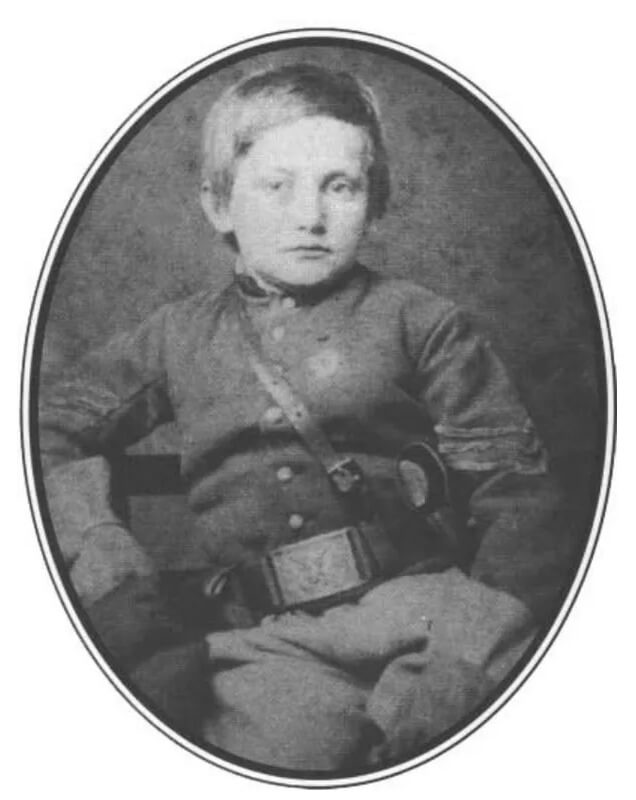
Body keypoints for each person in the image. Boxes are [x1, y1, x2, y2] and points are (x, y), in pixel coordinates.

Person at [39, 63, 570, 774]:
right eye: (276, 186)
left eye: (340, 186)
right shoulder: (176, 336)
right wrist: (99, 543)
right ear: (219, 205)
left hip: (428, 615)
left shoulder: (424, 322)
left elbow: (520, 500)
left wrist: (472, 649)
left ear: (374, 203)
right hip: (268, 645)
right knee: (281, 756)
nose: (309, 216)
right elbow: (43, 425)